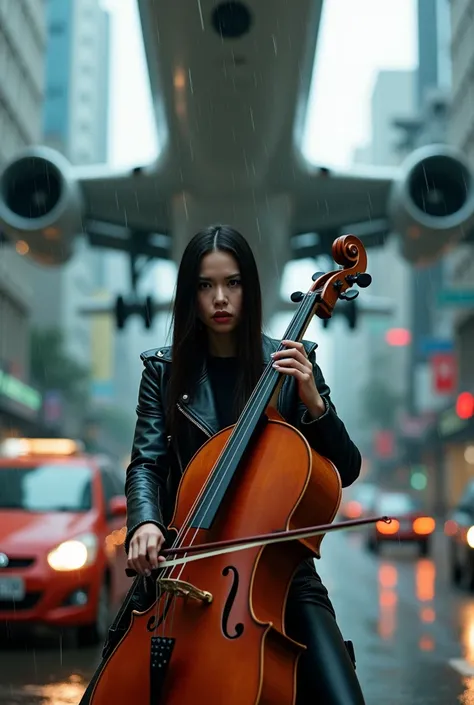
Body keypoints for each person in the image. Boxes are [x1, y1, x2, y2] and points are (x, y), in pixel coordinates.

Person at [124, 224, 366, 705]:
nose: (219, 298)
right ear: (189, 294)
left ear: (250, 289)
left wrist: (315, 404)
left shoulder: (294, 362)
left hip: (280, 572)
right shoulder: (163, 371)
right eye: (205, 285)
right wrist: (145, 522)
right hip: (187, 565)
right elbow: (146, 463)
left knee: (343, 698)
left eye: (232, 283)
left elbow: (346, 466)